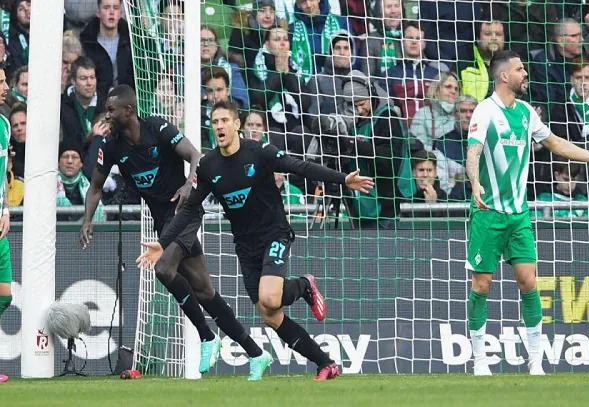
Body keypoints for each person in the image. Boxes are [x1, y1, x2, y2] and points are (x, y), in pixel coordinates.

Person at [136, 100, 374, 380]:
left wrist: (343, 179)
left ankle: (304, 284)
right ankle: (326, 363)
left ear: (237, 124)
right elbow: (188, 209)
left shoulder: (260, 153)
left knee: (269, 297)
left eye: (225, 120)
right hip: (245, 246)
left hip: (274, 234)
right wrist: (163, 243)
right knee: (269, 314)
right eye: (215, 122)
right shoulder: (209, 165)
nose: (219, 126)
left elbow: (300, 167)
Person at [80, 85, 273, 381]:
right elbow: (95, 187)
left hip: (185, 212)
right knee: (204, 291)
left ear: (128, 111)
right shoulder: (111, 145)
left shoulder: (158, 128)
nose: (107, 114)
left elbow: (196, 156)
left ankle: (207, 336)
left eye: (111, 109)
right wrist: (87, 220)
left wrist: (188, 185)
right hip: (162, 220)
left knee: (163, 269)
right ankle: (257, 354)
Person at [465, 50, 589, 376]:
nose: (525, 74)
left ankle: (535, 360)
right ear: (504, 75)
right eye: (520, 69)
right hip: (488, 212)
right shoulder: (484, 111)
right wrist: (476, 182)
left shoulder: (525, 113)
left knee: (528, 281)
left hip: (519, 214)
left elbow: (555, 143)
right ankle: (480, 359)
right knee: (482, 285)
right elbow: (474, 151)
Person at [0, 66, 11, 383]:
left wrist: (6, 210)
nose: (4, 85)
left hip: (0, 220)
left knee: (5, 294)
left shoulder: (3, 125)